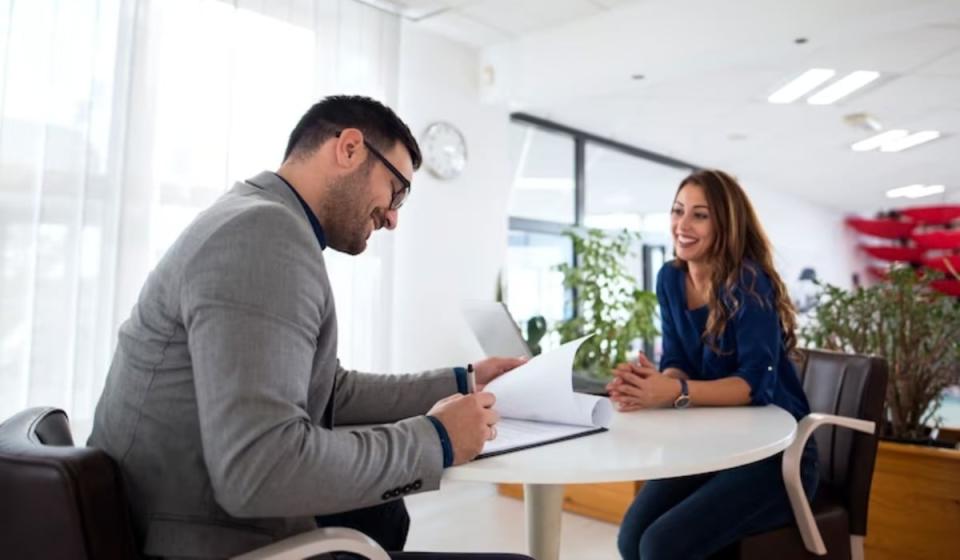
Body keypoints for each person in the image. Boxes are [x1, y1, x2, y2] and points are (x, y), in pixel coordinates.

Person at [88, 95, 530, 560]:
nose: (394, 218)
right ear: (350, 149)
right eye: (396, 191)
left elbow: (328, 389)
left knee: (384, 514)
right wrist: (437, 439)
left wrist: (465, 381)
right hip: (198, 538)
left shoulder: (255, 216)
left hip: (170, 512)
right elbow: (259, 470)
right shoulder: (262, 235)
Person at [608, 169, 819, 560]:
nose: (682, 225)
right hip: (712, 445)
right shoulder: (670, 278)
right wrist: (653, 384)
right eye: (677, 211)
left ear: (725, 223)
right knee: (630, 538)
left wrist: (674, 391)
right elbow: (677, 361)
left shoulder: (749, 283)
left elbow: (757, 386)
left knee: (661, 546)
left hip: (776, 455)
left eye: (699, 215)